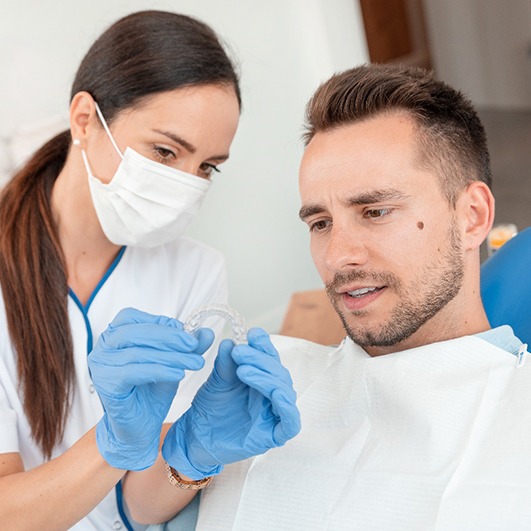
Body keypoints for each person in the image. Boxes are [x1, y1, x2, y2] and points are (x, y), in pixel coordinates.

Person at [156, 64, 531, 530]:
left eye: (375, 211)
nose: (337, 256)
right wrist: (190, 455)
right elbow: (140, 511)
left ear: (472, 217)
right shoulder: (272, 385)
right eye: (320, 223)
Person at [0, 10, 245, 529]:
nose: (187, 185)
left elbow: (139, 507)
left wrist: (196, 451)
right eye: (164, 151)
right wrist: (112, 444)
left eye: (206, 166)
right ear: (85, 120)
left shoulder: (196, 272)